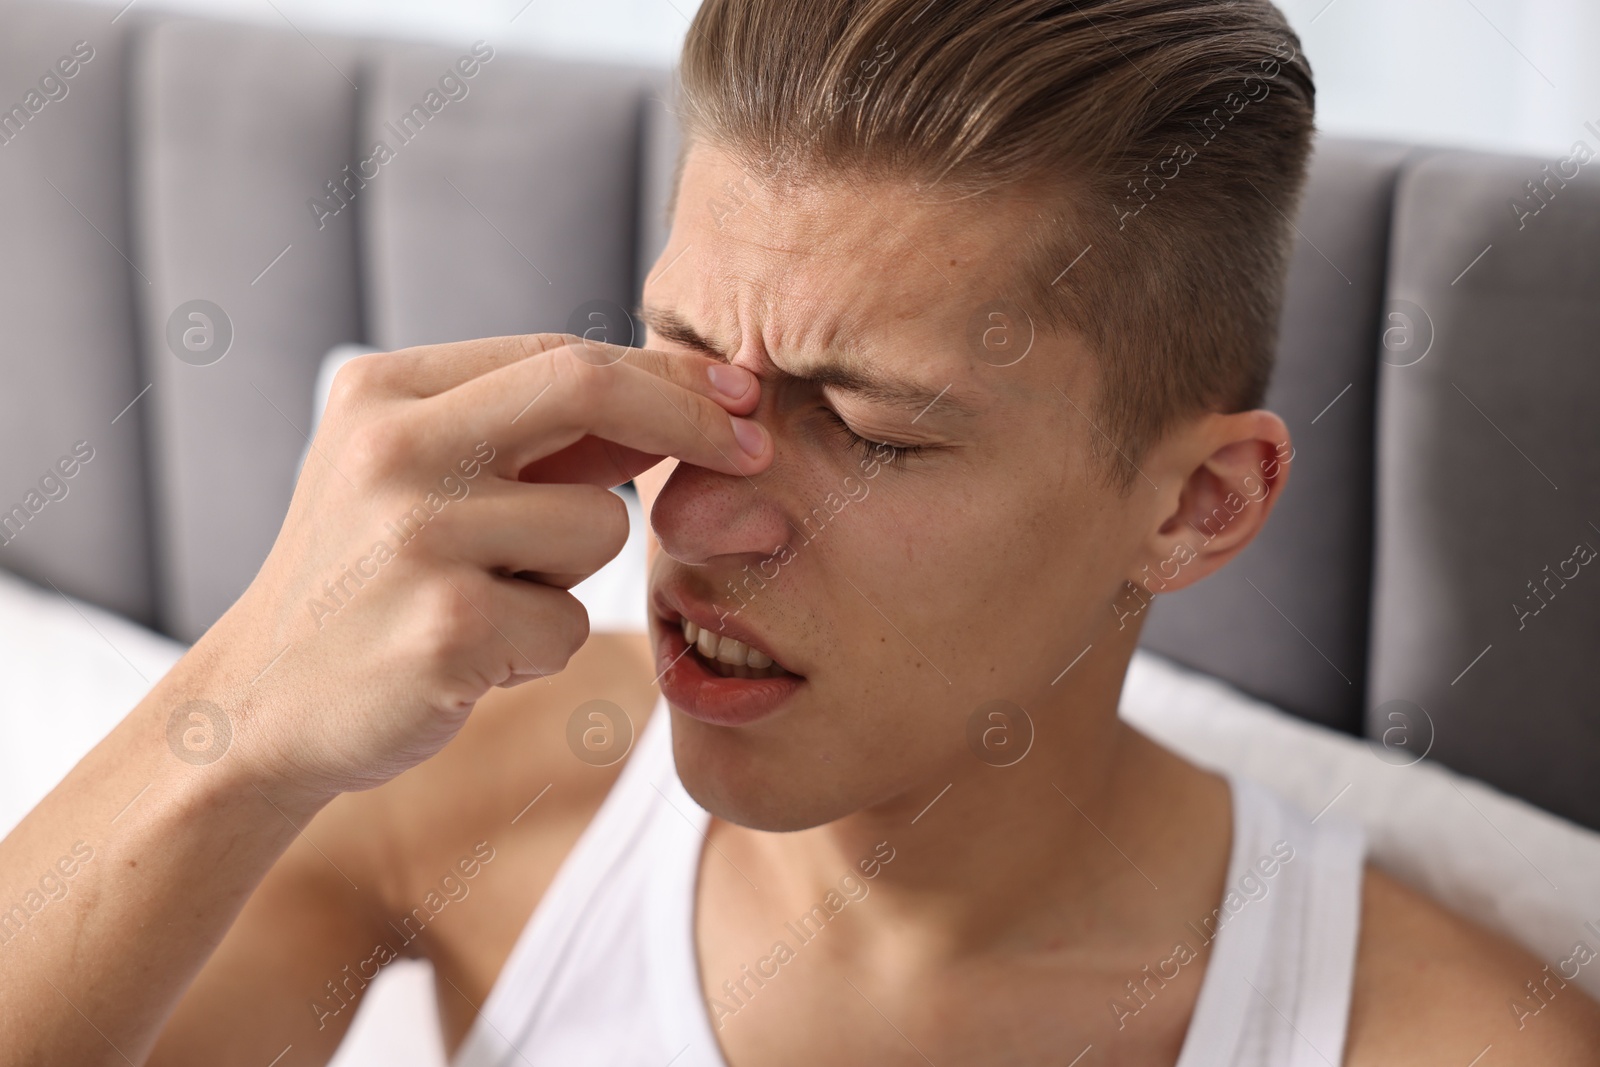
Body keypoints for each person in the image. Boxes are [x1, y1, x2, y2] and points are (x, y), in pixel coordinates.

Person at [3, 0, 1598, 1063]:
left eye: (882, 434)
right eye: (687, 373)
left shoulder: (1435, 1037)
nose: (691, 512)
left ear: (1197, 506)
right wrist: (238, 722)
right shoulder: (471, 796)